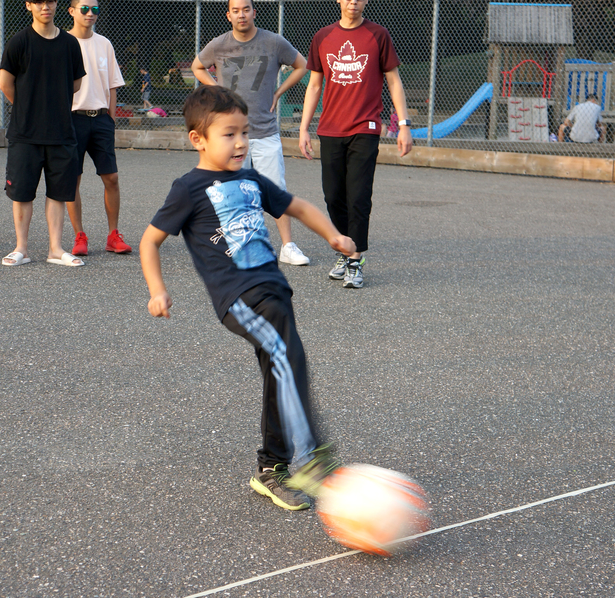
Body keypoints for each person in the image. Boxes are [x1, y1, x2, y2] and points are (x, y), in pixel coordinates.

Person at [139, 85, 356, 511]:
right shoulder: (188, 188)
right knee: (289, 358)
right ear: (198, 139)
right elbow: (150, 241)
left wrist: (332, 234)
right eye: (228, 134)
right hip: (239, 298)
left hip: (275, 292)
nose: (240, 142)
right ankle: (312, 457)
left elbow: (297, 207)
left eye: (244, 132)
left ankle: (272, 468)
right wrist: (157, 290)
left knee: (281, 371)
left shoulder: (252, 179)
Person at [299, 0, 413, 288]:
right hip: (330, 129)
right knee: (333, 195)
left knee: (358, 195)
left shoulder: (378, 35)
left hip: (366, 127)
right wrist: (304, 129)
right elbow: (314, 85)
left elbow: (394, 81)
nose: (353, 1)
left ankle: (355, 259)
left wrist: (404, 125)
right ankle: (344, 249)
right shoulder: (322, 37)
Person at [192, 0, 311, 267]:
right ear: (228, 15)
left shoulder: (273, 42)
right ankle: (237, 244)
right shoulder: (219, 44)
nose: (241, 14)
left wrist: (279, 92)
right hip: (231, 135)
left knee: (276, 190)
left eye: (246, 9)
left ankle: (288, 247)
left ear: (254, 12)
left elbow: (302, 65)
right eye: (236, 10)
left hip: (265, 130)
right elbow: (198, 67)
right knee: (233, 191)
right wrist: (217, 91)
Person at [0, 0, 86, 267]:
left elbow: (76, 82)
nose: (44, 6)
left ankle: (56, 249)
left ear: (57, 4)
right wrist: (29, 109)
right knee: (22, 193)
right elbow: (5, 83)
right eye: (38, 1)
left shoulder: (70, 44)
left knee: (59, 193)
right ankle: (21, 249)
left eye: (49, 1)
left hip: (61, 131)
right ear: (28, 5)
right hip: (25, 133)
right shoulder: (19, 42)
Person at [66, 0, 132, 256]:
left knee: (111, 178)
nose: (90, 13)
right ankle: (79, 236)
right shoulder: (64, 42)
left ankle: (113, 235)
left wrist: (111, 118)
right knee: (73, 179)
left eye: (95, 9)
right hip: (73, 118)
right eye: (84, 8)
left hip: (102, 118)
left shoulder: (104, 43)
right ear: (71, 11)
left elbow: (113, 84)